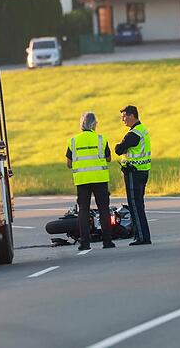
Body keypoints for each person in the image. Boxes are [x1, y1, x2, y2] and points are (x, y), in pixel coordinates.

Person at [66, 112, 115, 250]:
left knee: (83, 211)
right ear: (93, 124)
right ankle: (107, 242)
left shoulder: (73, 141)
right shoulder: (101, 139)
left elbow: (69, 163)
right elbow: (109, 158)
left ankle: (85, 243)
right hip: (100, 179)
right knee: (104, 209)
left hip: (82, 180)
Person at [115, 105, 152, 246]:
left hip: (133, 173)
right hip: (142, 171)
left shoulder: (134, 133)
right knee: (139, 205)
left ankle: (142, 237)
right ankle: (139, 235)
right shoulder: (142, 130)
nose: (122, 120)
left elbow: (119, 149)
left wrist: (119, 147)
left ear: (131, 116)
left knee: (135, 206)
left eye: (124, 116)